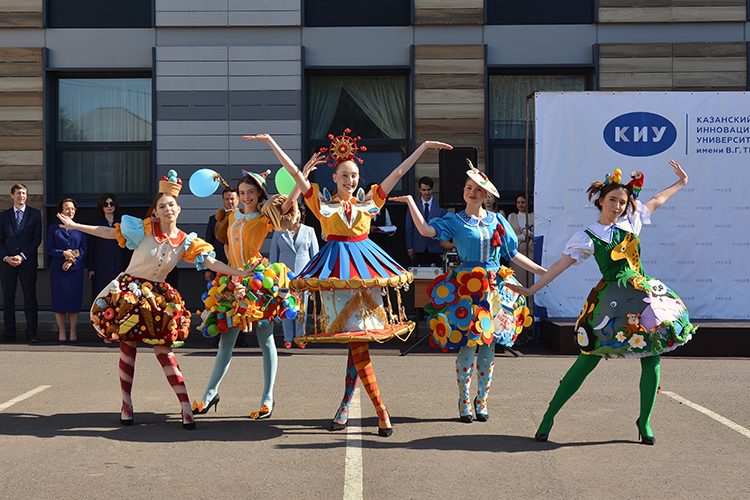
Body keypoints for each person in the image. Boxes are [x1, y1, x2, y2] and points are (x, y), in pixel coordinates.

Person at [246, 130, 452, 437]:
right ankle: (376, 410)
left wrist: (422, 146)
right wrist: (272, 143)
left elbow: (397, 172)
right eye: (344, 175)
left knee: (358, 344)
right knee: (357, 344)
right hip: (338, 277)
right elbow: (292, 173)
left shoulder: (369, 201)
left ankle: (356, 408)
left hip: (367, 274)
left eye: (354, 175)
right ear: (334, 176)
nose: (350, 180)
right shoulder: (320, 203)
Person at [507, 161, 696, 445]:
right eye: (613, 200)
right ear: (600, 200)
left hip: (643, 299)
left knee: (652, 355)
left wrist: (681, 181)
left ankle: (644, 421)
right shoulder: (588, 236)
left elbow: (657, 199)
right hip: (611, 301)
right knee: (587, 359)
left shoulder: (632, 221)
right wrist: (531, 288)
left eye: (623, 201)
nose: (618, 206)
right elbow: (559, 265)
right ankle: (549, 416)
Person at [56, 170, 248, 430]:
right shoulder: (143, 229)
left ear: (178, 209)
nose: (167, 209)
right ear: (155, 212)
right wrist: (76, 226)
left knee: (164, 350)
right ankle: (126, 403)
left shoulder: (186, 241)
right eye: (162, 206)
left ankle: (184, 406)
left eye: (171, 205)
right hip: (129, 290)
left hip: (156, 296)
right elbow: (108, 233)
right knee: (127, 346)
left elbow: (212, 262)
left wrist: (239, 272)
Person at [392, 161, 546, 423]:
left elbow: (513, 253)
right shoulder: (454, 220)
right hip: (467, 289)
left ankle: (482, 399)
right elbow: (426, 230)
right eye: (467, 187)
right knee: (467, 346)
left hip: (493, 289)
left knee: (489, 347)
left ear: (486, 195)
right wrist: (409, 201)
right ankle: (464, 398)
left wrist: (544, 272)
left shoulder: (497, 220)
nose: (471, 192)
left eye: (476, 189)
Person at [192, 162, 311, 419]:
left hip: (257, 282)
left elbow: (289, 203)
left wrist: (303, 177)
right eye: (242, 192)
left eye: (251, 193)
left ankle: (268, 398)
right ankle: (210, 393)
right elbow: (223, 246)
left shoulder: (265, 217)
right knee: (226, 342)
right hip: (232, 280)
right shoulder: (230, 216)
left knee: (266, 340)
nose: (246, 197)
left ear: (259, 196)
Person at [269, 202, 318, 349]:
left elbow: (315, 256)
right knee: (285, 305)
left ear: (301, 214)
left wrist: (313, 276)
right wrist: (273, 276)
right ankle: (288, 338)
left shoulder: (309, 231)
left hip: (304, 275)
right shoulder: (279, 232)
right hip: (284, 276)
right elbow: (273, 257)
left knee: (302, 306)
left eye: (297, 212)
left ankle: (301, 337)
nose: (295, 216)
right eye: (292, 213)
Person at [0, 183, 42, 344]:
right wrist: (7, 257)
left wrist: (22, 256)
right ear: (12, 195)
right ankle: (9, 333)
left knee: (30, 299)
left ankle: (32, 333)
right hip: (7, 265)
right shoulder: (3, 216)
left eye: (24, 193)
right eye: (18, 193)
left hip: (27, 263)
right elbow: (0, 241)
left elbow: (36, 239)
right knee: (8, 299)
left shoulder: (35, 214)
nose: (21, 196)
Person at [203, 187, 243, 346]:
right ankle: (218, 334)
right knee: (218, 301)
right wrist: (208, 269)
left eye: (233, 198)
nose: (230, 201)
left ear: (238, 200)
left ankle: (239, 337)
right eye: (227, 199)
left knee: (238, 300)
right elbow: (207, 245)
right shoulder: (214, 219)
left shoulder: (244, 218)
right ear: (223, 201)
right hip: (218, 266)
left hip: (239, 267)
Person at [48, 198, 87, 344]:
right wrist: (63, 254)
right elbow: (50, 249)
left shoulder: (80, 228)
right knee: (59, 302)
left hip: (75, 270)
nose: (70, 211)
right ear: (61, 211)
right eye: (67, 209)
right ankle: (62, 331)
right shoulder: (54, 228)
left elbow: (83, 249)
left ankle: (73, 331)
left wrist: (71, 260)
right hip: (57, 270)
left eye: (72, 209)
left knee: (74, 302)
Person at [86, 193, 130, 302]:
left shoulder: (122, 224)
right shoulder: (96, 225)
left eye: (112, 203)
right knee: (101, 295)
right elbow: (91, 249)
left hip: (118, 264)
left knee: (119, 295)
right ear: (102, 207)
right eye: (106, 204)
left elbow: (127, 248)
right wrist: (90, 268)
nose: (109, 206)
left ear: (115, 206)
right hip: (101, 267)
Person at [405, 176, 449, 267]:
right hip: (418, 247)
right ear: (420, 189)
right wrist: (409, 248)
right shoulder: (414, 205)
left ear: (432, 189)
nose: (426, 192)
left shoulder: (440, 205)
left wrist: (445, 246)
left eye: (428, 190)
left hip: (436, 247)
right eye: (424, 190)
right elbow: (409, 227)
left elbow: (446, 227)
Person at [507, 193, 534, 287]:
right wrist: (521, 237)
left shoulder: (533, 216)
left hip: (530, 253)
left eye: (523, 202)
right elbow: (508, 237)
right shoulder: (512, 217)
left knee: (530, 282)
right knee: (516, 281)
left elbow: (538, 236)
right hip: (516, 254)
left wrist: (530, 234)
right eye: (518, 202)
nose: (520, 205)